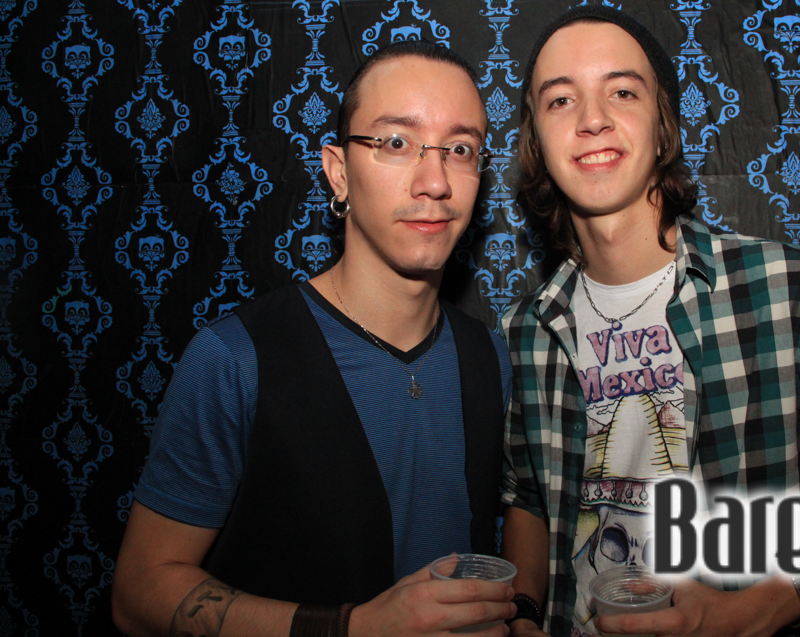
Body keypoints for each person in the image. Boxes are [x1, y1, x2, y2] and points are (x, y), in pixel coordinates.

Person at [499, 5, 800, 637]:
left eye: (622, 92)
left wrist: (771, 603)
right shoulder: (525, 330)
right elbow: (529, 500)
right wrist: (524, 613)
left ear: (663, 123)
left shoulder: (789, 290)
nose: (592, 119)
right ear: (536, 141)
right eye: (561, 100)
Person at [112, 41, 517, 637]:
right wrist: (351, 628)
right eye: (396, 142)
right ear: (338, 172)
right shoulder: (236, 359)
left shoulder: (490, 357)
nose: (435, 182)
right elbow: (139, 593)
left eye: (460, 149)